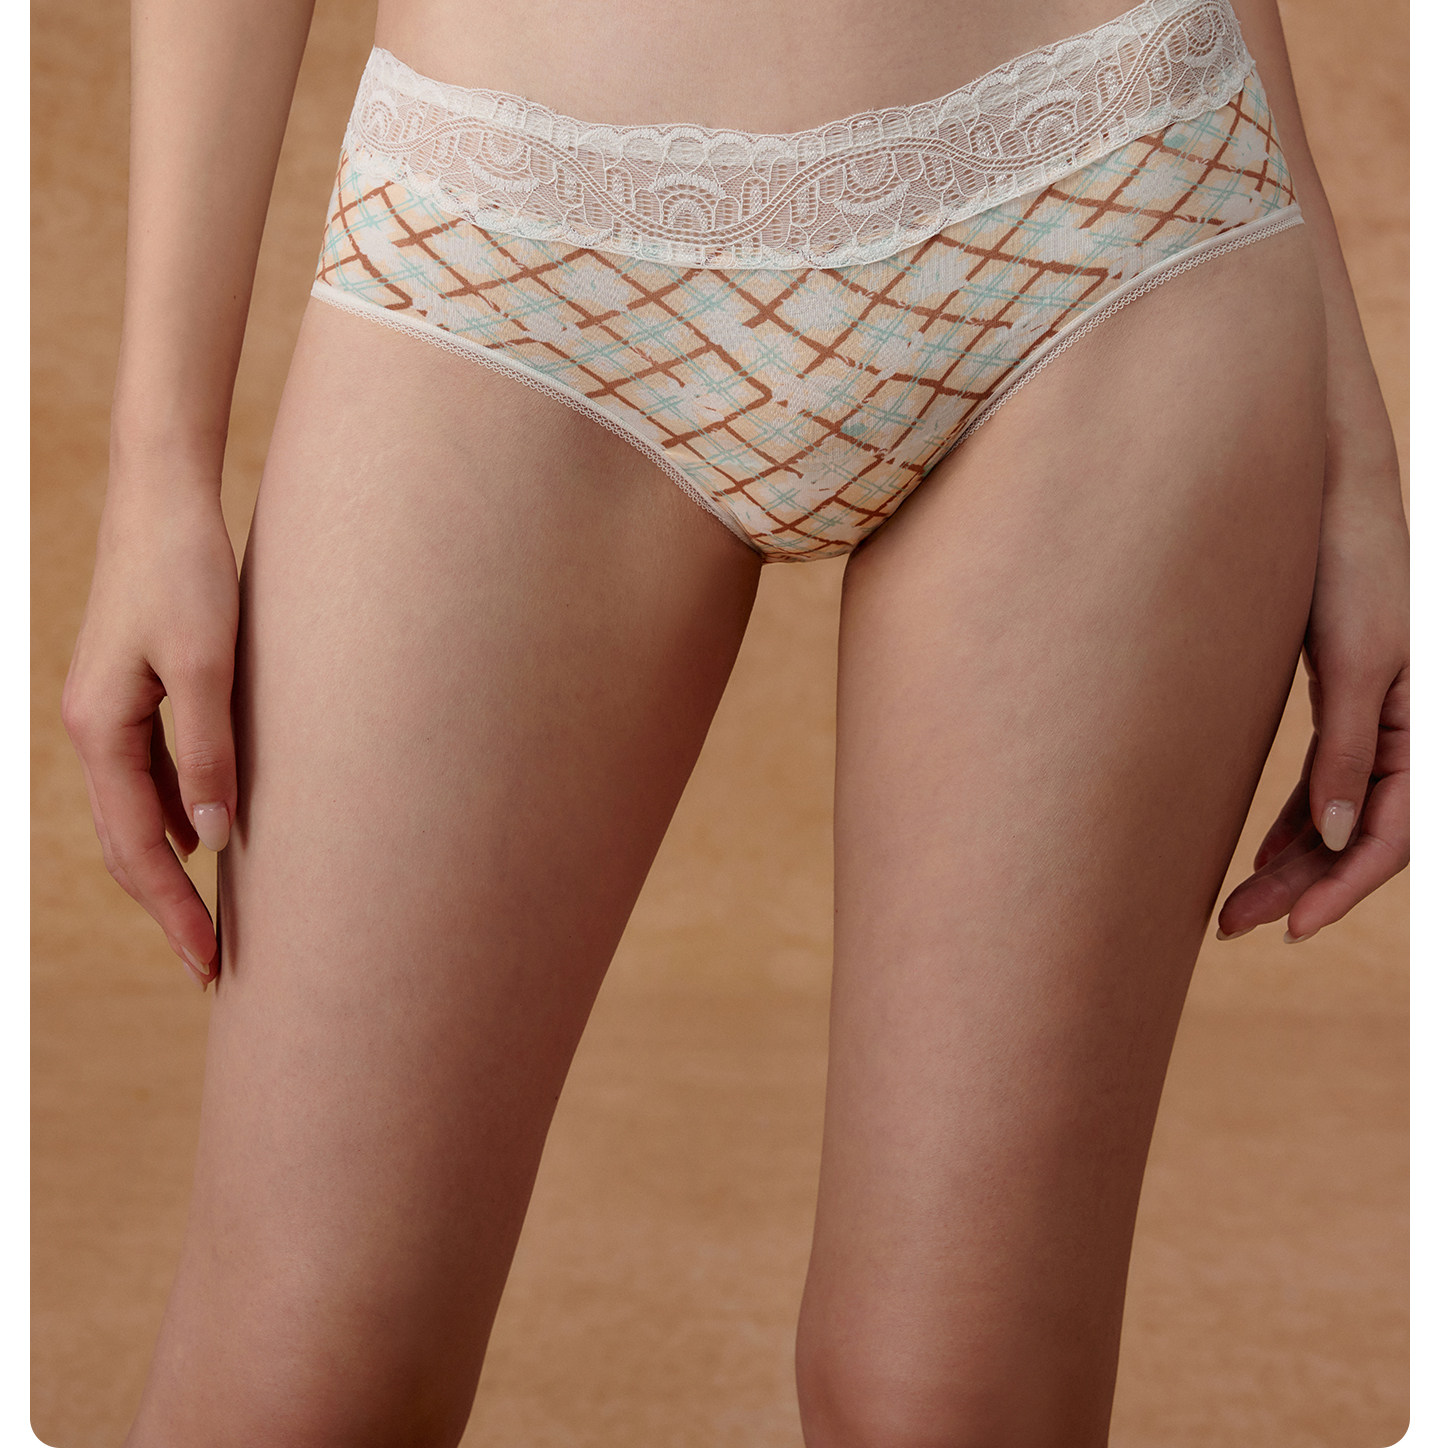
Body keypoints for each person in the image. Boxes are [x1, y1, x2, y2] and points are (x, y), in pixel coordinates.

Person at [61, 0, 1408, 1440]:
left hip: (1110, 179)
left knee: (945, 1403)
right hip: (509, 237)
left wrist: (1352, 445)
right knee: (295, 1381)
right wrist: (156, 464)